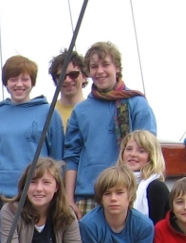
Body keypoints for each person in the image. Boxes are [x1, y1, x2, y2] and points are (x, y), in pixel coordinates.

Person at [64, 41, 156, 213]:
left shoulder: (137, 104)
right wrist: (69, 199)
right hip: (88, 195)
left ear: (117, 68)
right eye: (94, 66)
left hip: (128, 195)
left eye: (105, 64)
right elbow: (72, 156)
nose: (100, 71)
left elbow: (150, 152)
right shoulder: (80, 111)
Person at [0, 55, 65, 208]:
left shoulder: (49, 113)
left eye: (25, 79)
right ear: (6, 83)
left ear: (32, 82)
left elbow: (58, 158)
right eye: (13, 79)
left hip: (37, 194)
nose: (19, 84)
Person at [119, 130, 170, 224]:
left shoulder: (156, 188)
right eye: (129, 149)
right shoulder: (114, 184)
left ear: (151, 156)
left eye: (141, 151)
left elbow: (155, 226)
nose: (133, 154)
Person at [47, 49, 88, 132]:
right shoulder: (47, 113)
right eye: (62, 76)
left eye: (74, 74)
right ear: (55, 80)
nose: (68, 80)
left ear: (84, 77)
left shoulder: (93, 110)